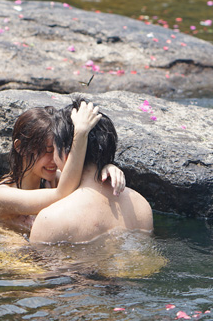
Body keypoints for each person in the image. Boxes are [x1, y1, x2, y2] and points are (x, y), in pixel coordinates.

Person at [29, 98, 153, 244]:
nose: (53, 159)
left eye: (53, 150)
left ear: (66, 153)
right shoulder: (140, 205)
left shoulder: (51, 220)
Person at [0, 102, 126, 233]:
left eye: (57, 149)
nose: (55, 158)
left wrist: (104, 168)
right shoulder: (1, 195)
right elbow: (61, 194)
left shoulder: (55, 180)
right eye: (48, 151)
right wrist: (80, 133)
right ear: (20, 148)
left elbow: (85, 181)